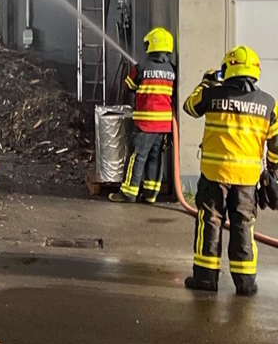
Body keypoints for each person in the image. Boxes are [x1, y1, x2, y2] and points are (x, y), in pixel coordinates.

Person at [182, 45, 278, 296]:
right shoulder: (269, 103)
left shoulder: (212, 95)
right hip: (247, 181)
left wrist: (205, 81)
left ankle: (205, 278)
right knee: (244, 226)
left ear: (229, 70)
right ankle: (245, 282)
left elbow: (189, 107)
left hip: (215, 176)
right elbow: (276, 142)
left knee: (210, 223)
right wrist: (273, 171)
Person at [110, 27, 176, 203]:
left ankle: (128, 192)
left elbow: (129, 86)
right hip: (164, 126)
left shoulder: (141, 68)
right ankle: (150, 194)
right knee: (156, 158)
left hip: (145, 123)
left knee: (137, 157)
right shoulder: (173, 70)